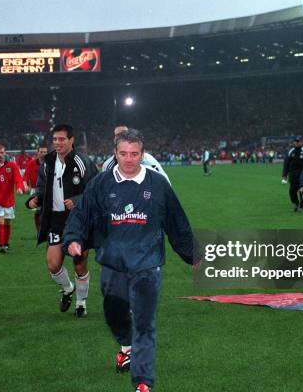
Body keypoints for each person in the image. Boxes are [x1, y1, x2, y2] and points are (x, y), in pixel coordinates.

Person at [63, 129, 195, 392]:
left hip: (147, 263)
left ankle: (143, 383)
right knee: (114, 315)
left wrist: (192, 253)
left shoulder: (158, 184)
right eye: (123, 153)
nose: (129, 159)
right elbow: (82, 214)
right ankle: (126, 345)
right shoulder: (101, 184)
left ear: (142, 154)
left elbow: (176, 221)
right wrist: (73, 239)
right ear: (115, 153)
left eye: (134, 154)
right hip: (113, 262)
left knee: (145, 323)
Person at [25, 124, 97, 318]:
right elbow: (41, 188)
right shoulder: (47, 162)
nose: (57, 143)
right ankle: (67, 289)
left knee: (79, 264)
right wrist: (35, 199)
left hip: (78, 220)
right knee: (53, 264)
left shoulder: (83, 162)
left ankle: (81, 303)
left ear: (71, 140)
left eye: (61, 139)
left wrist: (76, 200)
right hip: (56, 220)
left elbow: (95, 191)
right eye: (55, 139)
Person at [103, 124, 170, 184]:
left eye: (124, 134)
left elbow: (165, 182)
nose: (121, 137)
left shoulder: (148, 159)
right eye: (118, 135)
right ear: (114, 139)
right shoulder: (108, 165)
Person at [24, 146, 48, 231]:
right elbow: (26, 175)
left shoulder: (50, 163)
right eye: (41, 152)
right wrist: (26, 185)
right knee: (38, 211)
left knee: (46, 211)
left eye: (45, 152)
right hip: (36, 190)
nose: (43, 154)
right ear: (37, 153)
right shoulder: (32, 163)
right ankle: (39, 231)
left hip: (47, 190)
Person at [282, 138, 303, 211]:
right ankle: (295, 204)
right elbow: (286, 164)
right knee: (292, 191)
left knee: (302, 191)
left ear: (301, 142)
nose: (296, 143)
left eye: (298, 142)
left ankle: (302, 206)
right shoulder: (291, 151)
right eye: (295, 142)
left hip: (302, 175)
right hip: (293, 175)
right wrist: (285, 175)